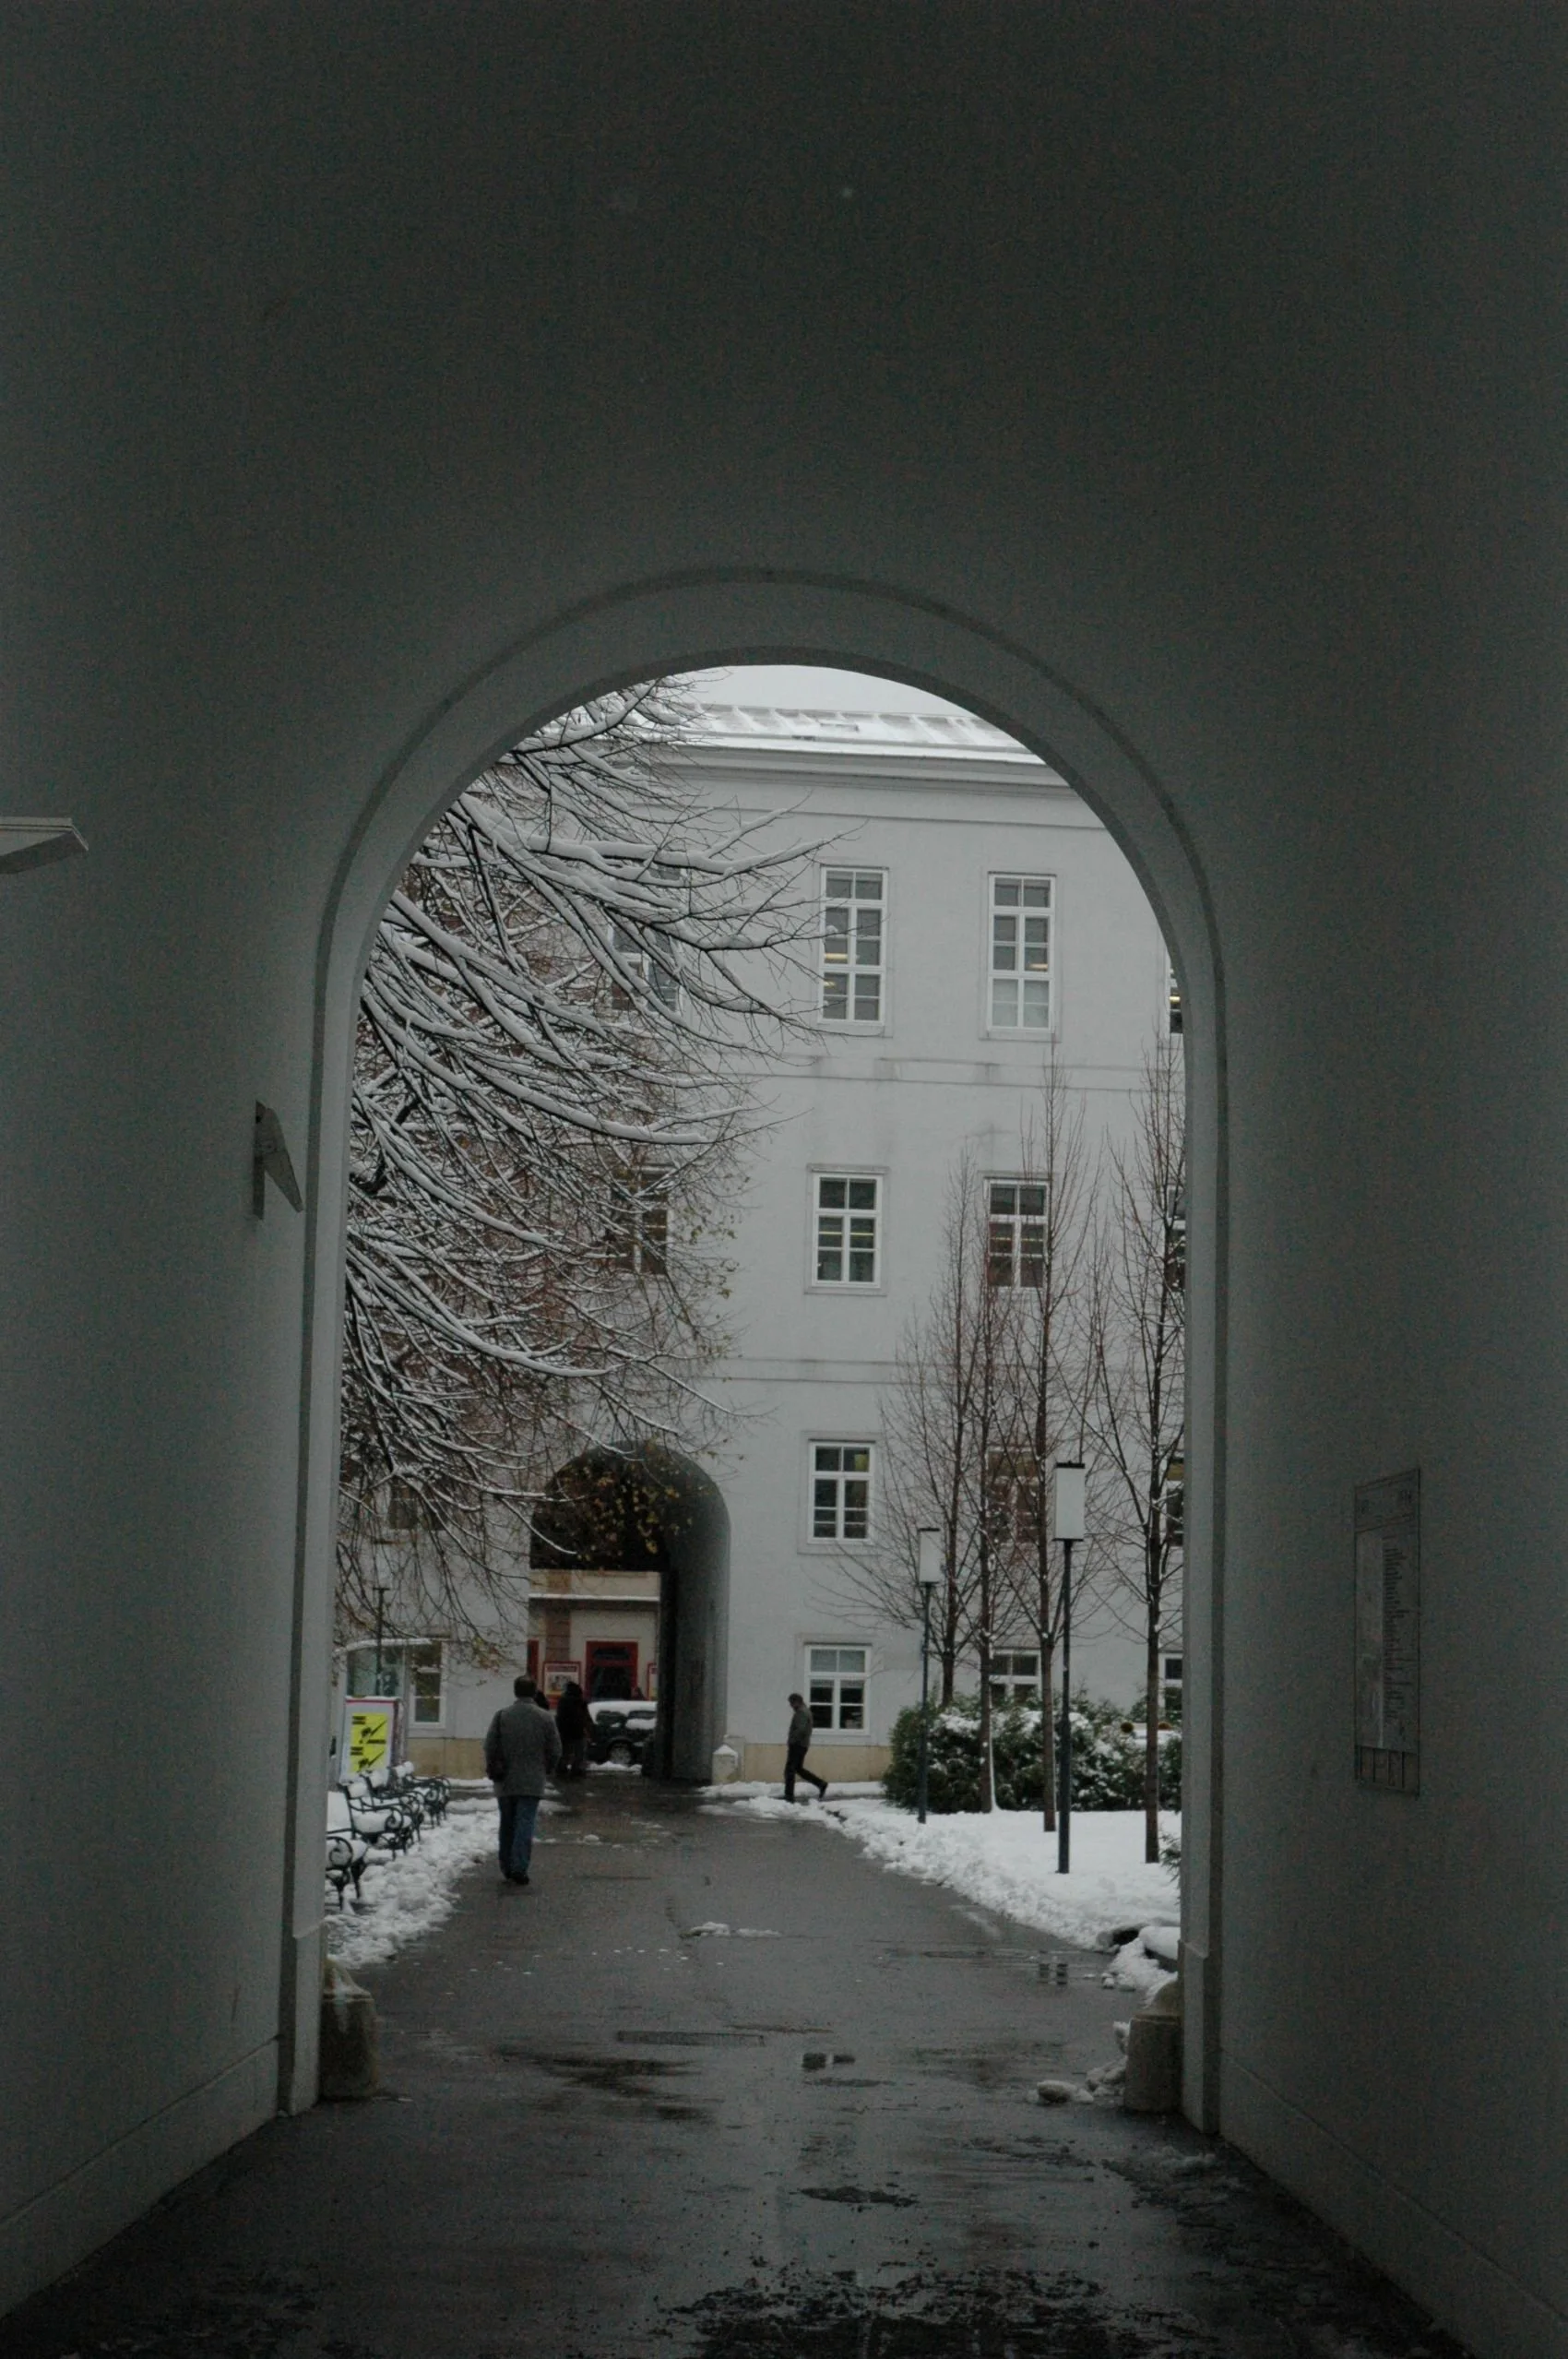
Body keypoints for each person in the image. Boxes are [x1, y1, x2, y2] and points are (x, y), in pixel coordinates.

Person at [484, 1674, 562, 1885]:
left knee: (507, 1823)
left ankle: (506, 1865)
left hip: (505, 1780)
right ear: (534, 1692)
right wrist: (547, 1768)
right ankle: (520, 1866)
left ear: (515, 1691)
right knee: (525, 1823)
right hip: (532, 1780)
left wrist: (493, 1767)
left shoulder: (502, 1716)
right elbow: (555, 1749)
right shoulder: (545, 1718)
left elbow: (490, 1745)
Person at [783, 1691, 827, 1803]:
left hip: (798, 1745)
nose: (791, 1706)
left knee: (790, 1770)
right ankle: (820, 1784)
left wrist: (792, 1740)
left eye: (791, 1703)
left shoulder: (801, 1712)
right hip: (802, 1745)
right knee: (798, 1769)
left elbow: (800, 1729)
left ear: (797, 1702)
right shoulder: (804, 1711)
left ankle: (789, 1797)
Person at [555, 1679, 591, 1779]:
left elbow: (560, 1717)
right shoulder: (581, 1702)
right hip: (578, 1731)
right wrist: (588, 1729)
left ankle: (561, 1768)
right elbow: (586, 1717)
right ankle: (576, 1769)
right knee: (579, 1752)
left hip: (564, 1732)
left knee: (565, 1752)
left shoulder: (563, 1701)